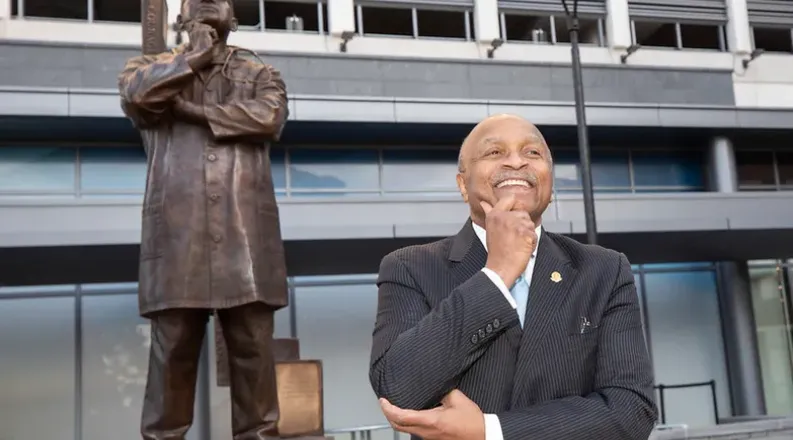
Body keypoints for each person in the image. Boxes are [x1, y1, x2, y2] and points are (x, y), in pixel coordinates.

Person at [369, 114, 658, 440]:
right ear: (463, 185)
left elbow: (632, 409)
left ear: (549, 179)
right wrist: (498, 273)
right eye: (495, 153)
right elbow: (397, 389)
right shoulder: (409, 267)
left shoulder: (605, 270)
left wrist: (491, 431)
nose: (517, 162)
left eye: (532, 153)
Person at [117, 0, 289, 439]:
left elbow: (269, 116)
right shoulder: (148, 69)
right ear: (180, 20)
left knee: (255, 363)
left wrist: (195, 114)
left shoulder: (258, 73)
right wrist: (193, 57)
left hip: (246, 239)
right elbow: (138, 98)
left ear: (234, 19)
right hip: (178, 240)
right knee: (171, 360)